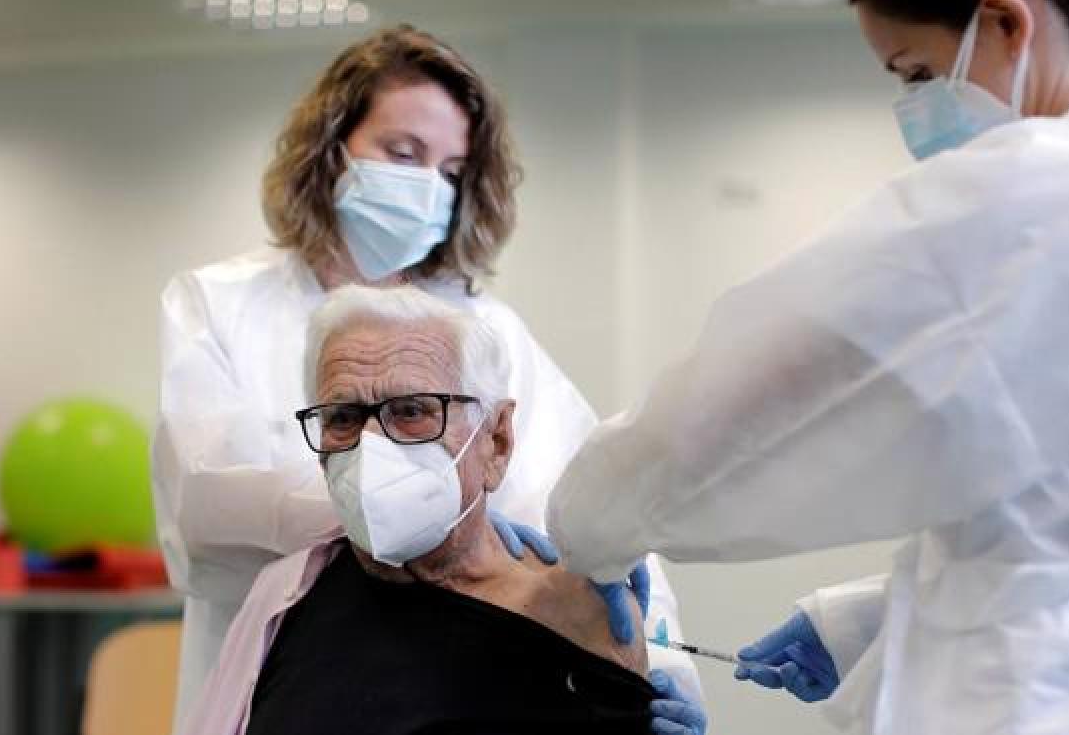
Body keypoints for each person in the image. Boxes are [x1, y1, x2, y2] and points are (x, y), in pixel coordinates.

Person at [547, 0, 1069, 733]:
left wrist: (588, 529)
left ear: (1006, 22)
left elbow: (743, 410)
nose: (915, 106)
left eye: (916, 72)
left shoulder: (1041, 187)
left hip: (1031, 706)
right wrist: (861, 622)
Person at [152, 25, 701, 733]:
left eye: (450, 170)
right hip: (287, 672)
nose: (426, 187)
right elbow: (203, 508)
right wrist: (404, 503)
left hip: (461, 685)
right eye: (403, 153)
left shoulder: (484, 328)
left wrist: (666, 665)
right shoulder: (221, 305)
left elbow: (590, 509)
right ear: (331, 149)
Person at [185, 285, 694, 735]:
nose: (370, 445)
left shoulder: (577, 614)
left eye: (412, 410)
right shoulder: (287, 598)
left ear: (496, 441)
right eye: (342, 417)